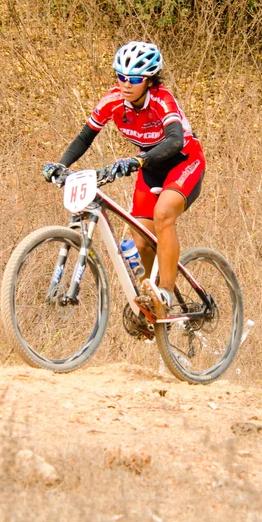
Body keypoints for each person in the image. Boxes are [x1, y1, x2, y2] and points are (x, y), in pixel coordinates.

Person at [43, 41, 205, 318]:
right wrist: (61, 164)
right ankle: (151, 301)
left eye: (133, 79)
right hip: (149, 167)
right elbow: (85, 137)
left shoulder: (162, 99)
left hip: (184, 161)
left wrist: (137, 160)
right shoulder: (113, 101)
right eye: (121, 77)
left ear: (149, 81)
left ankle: (165, 291)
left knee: (163, 214)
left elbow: (176, 140)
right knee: (140, 241)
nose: (125, 84)